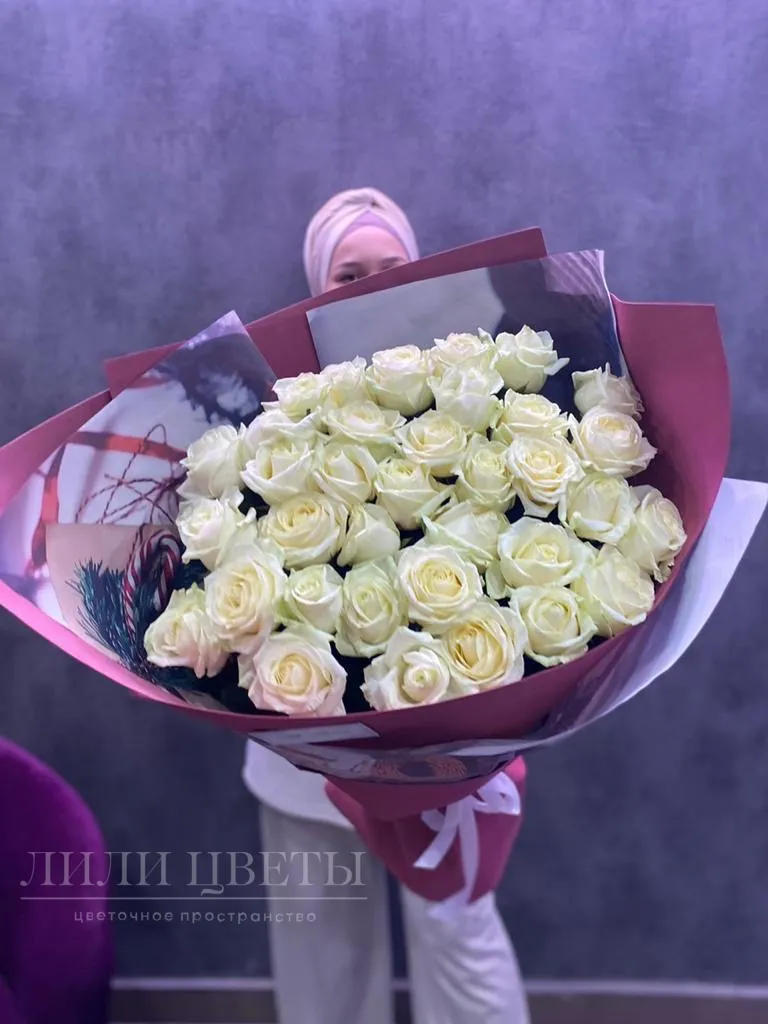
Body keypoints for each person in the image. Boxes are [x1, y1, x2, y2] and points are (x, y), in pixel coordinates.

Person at [243, 187, 530, 1024]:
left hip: (447, 749)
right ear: (316, 288)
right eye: (348, 273)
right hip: (309, 751)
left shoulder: (474, 398)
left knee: (461, 935)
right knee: (325, 966)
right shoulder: (270, 415)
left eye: (390, 267)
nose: (369, 285)